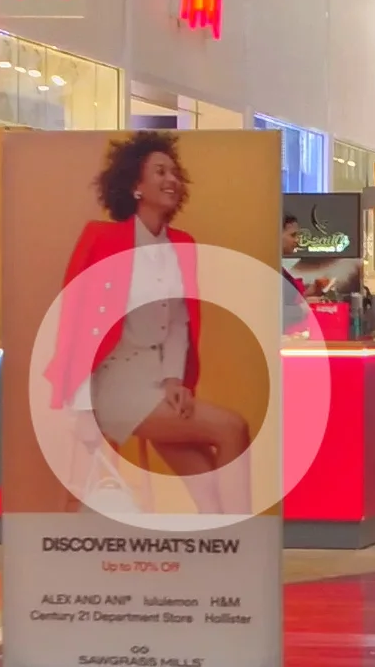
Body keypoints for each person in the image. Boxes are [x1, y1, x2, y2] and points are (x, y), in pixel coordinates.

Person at [49, 135, 247, 482]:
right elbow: (75, 323)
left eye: (174, 173)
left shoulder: (181, 244)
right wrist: (80, 407)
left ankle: (221, 535)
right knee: (233, 428)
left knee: (206, 483)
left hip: (159, 384)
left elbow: (179, 324)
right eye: (160, 172)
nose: (171, 179)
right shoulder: (103, 239)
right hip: (114, 385)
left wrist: (175, 378)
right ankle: (242, 537)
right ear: (136, 185)